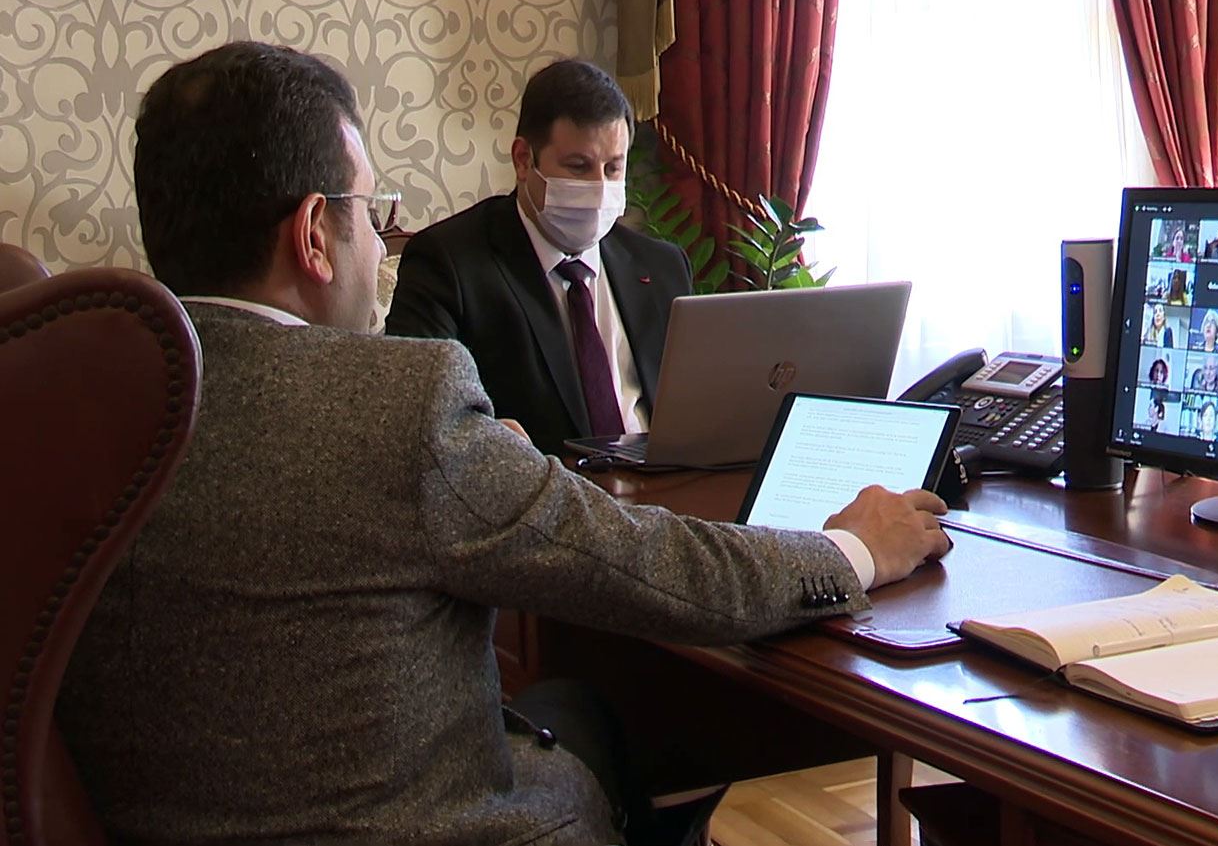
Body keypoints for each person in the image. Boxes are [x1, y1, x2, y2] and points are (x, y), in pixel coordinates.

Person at [55, 42, 952, 846]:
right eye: (371, 212)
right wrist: (853, 548)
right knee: (626, 736)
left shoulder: (66, 404)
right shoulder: (399, 403)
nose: (379, 242)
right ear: (315, 234)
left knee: (574, 708)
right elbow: (657, 569)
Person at [386, 59, 692, 455]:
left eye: (613, 169)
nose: (599, 189)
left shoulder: (663, 267)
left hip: (664, 484)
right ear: (523, 160)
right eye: (578, 167)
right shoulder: (448, 263)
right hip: (540, 486)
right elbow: (413, 419)